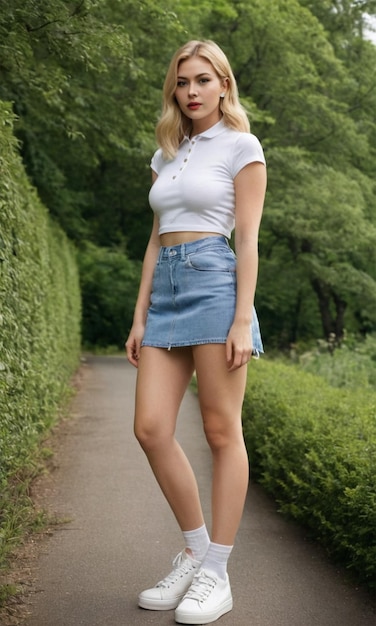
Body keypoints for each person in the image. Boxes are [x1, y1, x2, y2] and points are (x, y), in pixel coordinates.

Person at [125, 39, 267, 625]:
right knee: (151, 427)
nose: (191, 92)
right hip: (166, 294)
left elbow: (250, 239)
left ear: (224, 85)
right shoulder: (167, 153)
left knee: (219, 429)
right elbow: (155, 241)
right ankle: (196, 549)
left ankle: (217, 573)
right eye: (183, 82)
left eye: (203, 80)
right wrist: (139, 316)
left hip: (215, 283)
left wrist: (241, 318)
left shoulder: (242, 146)